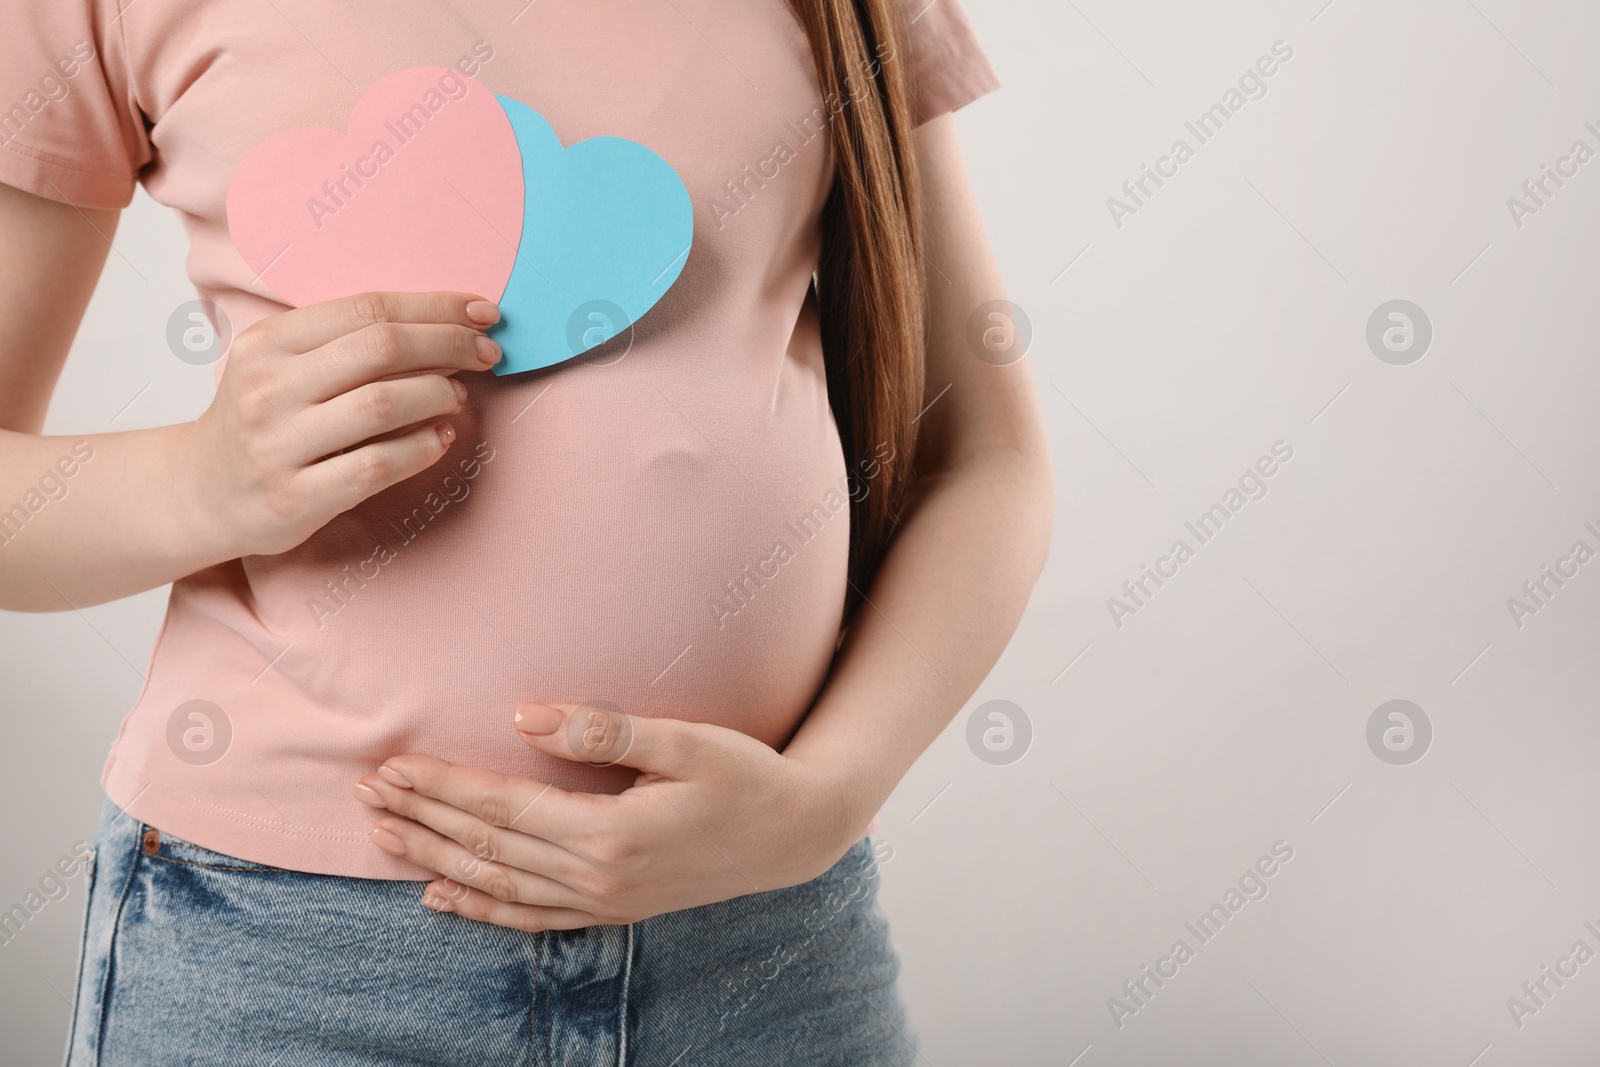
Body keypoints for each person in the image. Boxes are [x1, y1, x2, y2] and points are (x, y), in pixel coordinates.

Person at [0, 0, 1051, 1062]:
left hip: (760, 938)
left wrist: (826, 796)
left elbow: (981, 457)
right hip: (285, 948)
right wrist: (201, 477)